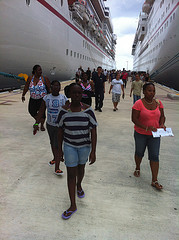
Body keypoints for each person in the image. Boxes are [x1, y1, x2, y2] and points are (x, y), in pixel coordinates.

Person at [56, 83, 97, 219]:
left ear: (82, 94)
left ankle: (79, 185)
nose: (77, 95)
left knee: (81, 169)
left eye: (79, 93)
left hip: (84, 146)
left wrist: (93, 151)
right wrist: (59, 149)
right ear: (69, 94)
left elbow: (94, 130)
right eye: (74, 93)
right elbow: (60, 130)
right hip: (69, 146)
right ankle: (73, 205)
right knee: (71, 174)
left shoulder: (88, 110)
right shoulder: (63, 111)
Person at [131, 82, 166, 190]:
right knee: (139, 152)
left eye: (154, 91)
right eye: (149, 90)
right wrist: (146, 128)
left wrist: (161, 124)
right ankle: (137, 167)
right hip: (141, 134)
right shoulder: (138, 104)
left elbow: (162, 117)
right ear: (144, 91)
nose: (152, 93)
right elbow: (134, 119)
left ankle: (154, 180)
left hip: (155, 135)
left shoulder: (158, 103)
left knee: (154, 156)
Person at [33, 80, 69, 175]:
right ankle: (55, 157)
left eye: (58, 86)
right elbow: (41, 111)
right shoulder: (46, 98)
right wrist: (36, 124)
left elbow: (69, 111)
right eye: (54, 86)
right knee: (52, 143)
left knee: (57, 145)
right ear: (51, 87)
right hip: (50, 125)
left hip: (60, 126)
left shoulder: (63, 98)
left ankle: (57, 167)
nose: (56, 87)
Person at [21, 65, 50, 131]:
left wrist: (51, 97)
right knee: (31, 111)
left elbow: (49, 88)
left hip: (42, 99)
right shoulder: (30, 78)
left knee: (42, 113)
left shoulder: (44, 78)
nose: (41, 71)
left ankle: (41, 125)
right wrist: (23, 95)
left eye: (41, 70)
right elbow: (26, 87)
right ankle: (38, 121)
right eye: (39, 70)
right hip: (33, 99)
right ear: (35, 71)